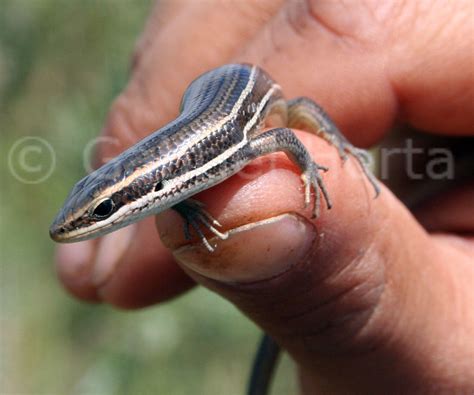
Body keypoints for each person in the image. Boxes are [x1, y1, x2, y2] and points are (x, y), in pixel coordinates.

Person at [55, 1, 474, 392]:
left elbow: (283, 133)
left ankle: (336, 143)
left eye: (104, 211)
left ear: (139, 191)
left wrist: (309, 167)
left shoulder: (231, 146)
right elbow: (173, 191)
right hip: (208, 111)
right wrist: (190, 210)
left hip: (249, 94)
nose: (101, 222)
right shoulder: (179, 180)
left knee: (303, 109)